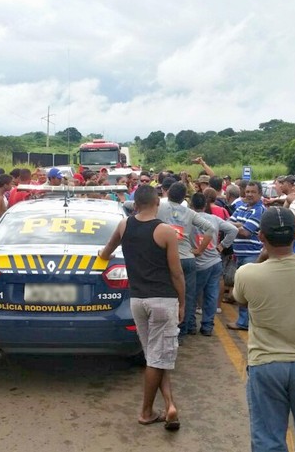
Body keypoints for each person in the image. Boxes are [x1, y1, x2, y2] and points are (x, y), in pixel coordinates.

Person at [234, 207, 295, 451]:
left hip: (266, 364)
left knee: (268, 440)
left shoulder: (248, 274)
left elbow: (240, 299)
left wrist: (263, 255)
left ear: (261, 238)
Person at [99, 184, 185, 431]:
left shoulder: (124, 225)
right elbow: (176, 273)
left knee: (155, 356)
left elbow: (105, 253)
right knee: (158, 358)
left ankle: (170, 405)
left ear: (135, 204)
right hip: (163, 301)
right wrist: (183, 302)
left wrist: (100, 255)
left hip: (137, 301)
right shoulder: (165, 231)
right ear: (158, 203)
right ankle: (146, 412)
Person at [157, 182, 214, 339]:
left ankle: (166, 330)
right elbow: (210, 228)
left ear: (168, 193)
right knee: (187, 296)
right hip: (187, 259)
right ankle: (182, 331)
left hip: (166, 258)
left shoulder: (159, 208)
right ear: (184, 197)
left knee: (167, 295)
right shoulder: (189, 213)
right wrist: (200, 250)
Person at [190, 193, 238, 336]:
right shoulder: (214, 219)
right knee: (211, 295)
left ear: (191, 205)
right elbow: (233, 230)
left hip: (198, 263)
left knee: (192, 295)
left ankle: (191, 325)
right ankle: (207, 326)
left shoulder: (189, 219)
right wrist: (221, 246)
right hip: (215, 261)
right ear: (205, 205)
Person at [226, 181, 265, 330]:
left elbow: (245, 232)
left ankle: (244, 322)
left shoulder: (259, 210)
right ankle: (244, 321)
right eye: (247, 191)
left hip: (252, 255)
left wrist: (236, 226)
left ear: (260, 194)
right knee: (243, 290)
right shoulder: (241, 207)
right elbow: (228, 222)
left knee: (247, 291)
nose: (249, 194)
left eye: (252, 192)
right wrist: (238, 225)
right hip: (240, 255)